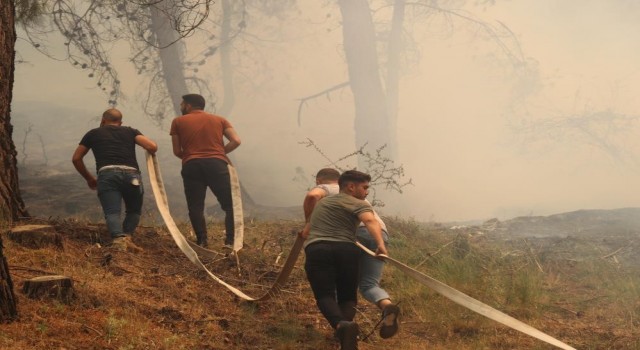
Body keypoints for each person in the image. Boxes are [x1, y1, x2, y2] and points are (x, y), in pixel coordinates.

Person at [302, 168, 401, 340]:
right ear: (350, 187)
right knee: (349, 296)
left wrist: (304, 234)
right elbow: (370, 221)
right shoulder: (360, 204)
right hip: (347, 250)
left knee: (325, 295)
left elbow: (307, 231)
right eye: (364, 188)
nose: (367, 192)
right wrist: (380, 245)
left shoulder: (323, 203)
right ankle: (347, 328)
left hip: (318, 250)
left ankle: (342, 326)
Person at [72, 108, 158, 251]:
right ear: (120, 122)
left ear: (103, 120)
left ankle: (119, 240)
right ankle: (127, 237)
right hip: (132, 175)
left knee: (112, 212)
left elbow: (76, 158)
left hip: (107, 174)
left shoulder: (93, 133)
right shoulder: (130, 131)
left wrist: (89, 178)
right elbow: (152, 146)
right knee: (134, 211)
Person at [170, 94, 241, 248]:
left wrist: (190, 156)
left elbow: (176, 151)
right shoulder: (220, 120)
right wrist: (219, 153)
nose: (181, 107)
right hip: (217, 164)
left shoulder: (177, 122)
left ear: (188, 106)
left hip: (191, 165)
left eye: (182, 104)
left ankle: (202, 241)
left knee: (195, 206)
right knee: (229, 205)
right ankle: (230, 242)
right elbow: (236, 140)